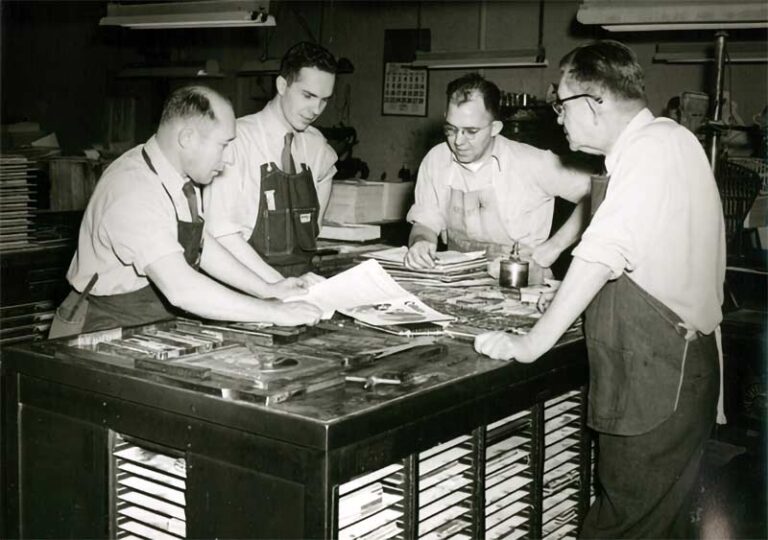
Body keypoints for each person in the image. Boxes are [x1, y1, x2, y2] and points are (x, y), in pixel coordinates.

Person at [475, 40, 725, 537]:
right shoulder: (665, 142)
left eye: (560, 104)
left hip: (659, 384)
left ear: (595, 102)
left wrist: (530, 343)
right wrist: (565, 289)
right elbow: (656, 258)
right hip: (675, 374)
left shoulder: (651, 152)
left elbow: (602, 253)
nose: (558, 118)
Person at [49, 86, 322, 339]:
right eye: (223, 145)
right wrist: (274, 313)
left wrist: (268, 290)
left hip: (149, 319)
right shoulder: (133, 189)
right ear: (187, 138)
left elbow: (201, 244)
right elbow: (181, 288)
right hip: (102, 326)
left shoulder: (178, 178)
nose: (228, 160)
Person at [404, 73, 590, 282]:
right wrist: (420, 242)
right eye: (451, 129)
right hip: (456, 282)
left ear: (495, 128)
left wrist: (553, 248)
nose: (458, 141)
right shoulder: (436, 160)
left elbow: (601, 192)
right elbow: (426, 222)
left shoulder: (531, 162)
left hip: (520, 283)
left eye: (471, 131)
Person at [205, 41, 338, 279]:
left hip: (300, 280)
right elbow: (221, 234)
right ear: (282, 85)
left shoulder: (316, 145)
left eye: (324, 100)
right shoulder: (237, 141)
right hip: (245, 283)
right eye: (308, 95)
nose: (315, 109)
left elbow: (328, 173)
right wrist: (275, 284)